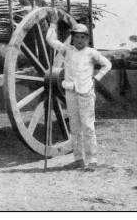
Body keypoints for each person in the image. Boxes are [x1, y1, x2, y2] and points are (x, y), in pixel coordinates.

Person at [46, 20, 112, 170]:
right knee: (75, 128)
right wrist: (53, 23)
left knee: (88, 127)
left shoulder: (91, 53)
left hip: (86, 94)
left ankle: (92, 160)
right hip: (71, 93)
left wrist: (97, 78)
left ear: (87, 39)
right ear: (72, 38)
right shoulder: (67, 50)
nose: (79, 40)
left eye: (83, 37)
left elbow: (107, 64)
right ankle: (78, 159)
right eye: (76, 37)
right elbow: (50, 40)